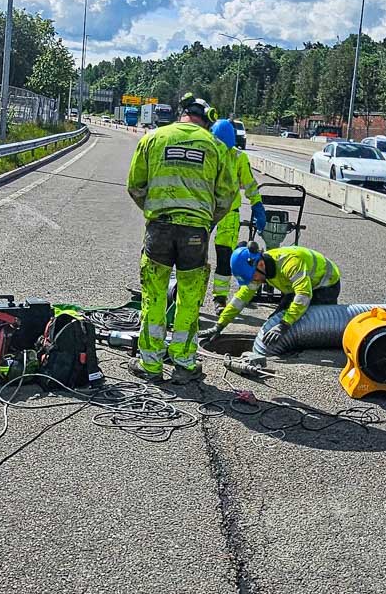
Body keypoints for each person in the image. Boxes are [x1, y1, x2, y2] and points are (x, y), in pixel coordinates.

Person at [126, 92, 237, 383]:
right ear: (206, 120)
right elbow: (226, 195)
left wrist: (156, 211)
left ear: (183, 113)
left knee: (154, 294)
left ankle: (150, 362)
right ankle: (184, 362)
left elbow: (135, 185)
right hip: (195, 233)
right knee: (189, 297)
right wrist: (204, 221)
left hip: (159, 228)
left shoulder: (154, 138)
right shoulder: (216, 146)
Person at [199, 242, 341, 356]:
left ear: (260, 264)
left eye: (252, 277)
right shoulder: (258, 269)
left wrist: (284, 325)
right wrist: (220, 325)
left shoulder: (289, 263)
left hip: (325, 285)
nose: (253, 281)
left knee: (307, 324)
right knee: (275, 321)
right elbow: (240, 300)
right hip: (296, 288)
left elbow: (303, 295)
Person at [208, 118, 266, 306]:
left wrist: (257, 205)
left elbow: (249, 183)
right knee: (195, 257)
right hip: (205, 211)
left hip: (228, 212)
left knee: (224, 256)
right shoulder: (206, 154)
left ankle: (220, 297)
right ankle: (193, 297)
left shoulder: (238, 157)